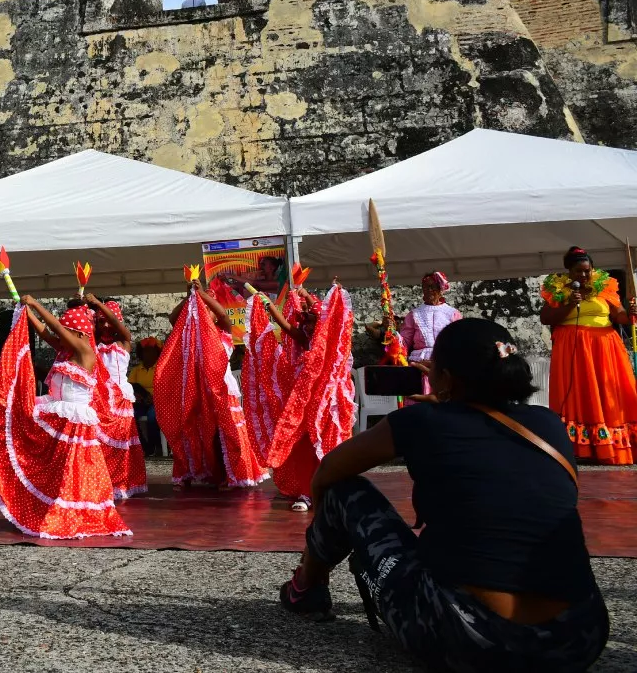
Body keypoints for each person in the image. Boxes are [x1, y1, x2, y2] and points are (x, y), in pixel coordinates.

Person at [279, 318, 609, 672]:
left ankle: (307, 587)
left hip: (475, 641)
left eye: (432, 365)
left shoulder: (420, 420)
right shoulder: (548, 423)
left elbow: (328, 472)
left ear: (448, 377)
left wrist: (437, 410)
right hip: (578, 639)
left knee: (346, 490)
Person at [0, 295, 131, 539]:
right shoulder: (67, 351)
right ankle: (54, 506)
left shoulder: (85, 351)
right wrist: (25, 312)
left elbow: (56, 329)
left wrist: (36, 304)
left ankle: (73, 511)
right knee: (55, 468)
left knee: (72, 471)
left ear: (82, 335)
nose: (64, 339)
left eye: (70, 333)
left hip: (75, 424)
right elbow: (46, 333)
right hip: (59, 418)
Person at [239, 281, 355, 511]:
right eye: (308, 323)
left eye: (313, 323)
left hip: (325, 406)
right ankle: (306, 492)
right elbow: (285, 327)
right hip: (302, 405)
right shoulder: (304, 340)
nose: (309, 327)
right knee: (303, 448)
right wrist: (269, 306)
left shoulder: (329, 346)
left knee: (326, 447)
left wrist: (308, 296)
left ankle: (330, 491)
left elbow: (326, 316)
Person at [157, 279, 266, 489]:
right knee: (193, 429)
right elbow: (173, 318)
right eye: (201, 309)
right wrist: (189, 296)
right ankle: (196, 472)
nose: (204, 311)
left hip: (220, 389)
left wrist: (204, 296)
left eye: (208, 309)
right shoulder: (189, 333)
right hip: (195, 389)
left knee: (223, 433)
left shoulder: (223, 331)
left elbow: (224, 315)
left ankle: (229, 474)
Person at [541, 246, 637, 464]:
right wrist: (569, 304)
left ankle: (612, 446)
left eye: (587, 271)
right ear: (569, 271)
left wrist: (631, 313)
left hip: (604, 347)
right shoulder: (557, 289)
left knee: (607, 390)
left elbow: (619, 317)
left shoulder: (605, 287)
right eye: (578, 271)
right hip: (572, 347)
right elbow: (546, 318)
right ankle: (580, 448)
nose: (583, 275)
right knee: (579, 392)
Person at [86, 294, 147, 498]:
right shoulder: (92, 345)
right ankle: (102, 484)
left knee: (121, 444)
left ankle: (121, 484)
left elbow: (119, 327)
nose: (104, 325)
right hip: (98, 399)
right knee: (100, 444)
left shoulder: (124, 342)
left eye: (108, 320)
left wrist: (98, 304)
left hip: (120, 399)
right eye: (100, 321)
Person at [399, 271, 463, 395]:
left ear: (440, 289)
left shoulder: (452, 313)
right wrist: (392, 335)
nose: (428, 291)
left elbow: (459, 341)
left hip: (443, 363)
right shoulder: (414, 314)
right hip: (419, 364)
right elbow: (404, 342)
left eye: (431, 287)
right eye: (425, 288)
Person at [127, 337, 162, 455]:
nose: (148, 354)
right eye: (145, 351)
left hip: (157, 401)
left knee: (152, 417)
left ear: (157, 353)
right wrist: (140, 396)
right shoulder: (136, 370)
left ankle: (157, 445)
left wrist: (152, 398)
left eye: (151, 351)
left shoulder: (161, 368)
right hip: (141, 402)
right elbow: (131, 386)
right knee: (130, 416)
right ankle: (143, 446)